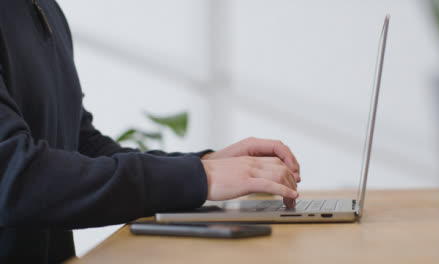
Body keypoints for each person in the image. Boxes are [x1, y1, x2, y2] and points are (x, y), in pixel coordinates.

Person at [0, 0, 301, 263]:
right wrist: (197, 177)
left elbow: (80, 144)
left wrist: (204, 164)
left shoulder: (44, 8)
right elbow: (17, 177)